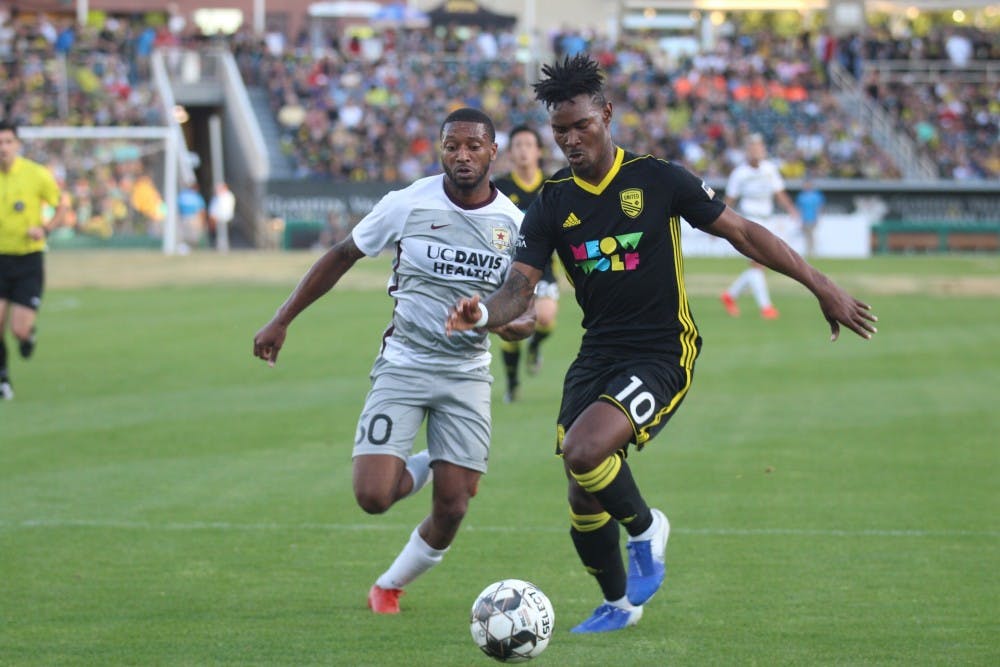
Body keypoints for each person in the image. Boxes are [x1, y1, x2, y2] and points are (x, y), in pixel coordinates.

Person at [446, 55, 877, 633]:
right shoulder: (550, 201)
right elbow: (518, 290)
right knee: (581, 492)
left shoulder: (657, 178)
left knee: (583, 451)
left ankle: (648, 530)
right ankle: (621, 605)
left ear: (607, 114)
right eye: (560, 132)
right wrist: (481, 317)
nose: (570, 140)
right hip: (597, 351)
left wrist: (820, 285)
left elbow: (744, 232)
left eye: (581, 126)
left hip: (661, 350)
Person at [253, 108, 534, 615]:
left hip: (466, 374)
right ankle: (434, 462)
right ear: (440, 149)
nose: (463, 155)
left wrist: (492, 319)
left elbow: (526, 316)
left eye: (474, 146)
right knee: (373, 497)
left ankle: (389, 585)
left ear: (494, 152)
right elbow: (342, 254)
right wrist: (281, 319)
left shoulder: (515, 225)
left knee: (454, 506)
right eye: (453, 146)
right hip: (403, 364)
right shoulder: (406, 203)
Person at [0, 121, 68, 400]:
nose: (2, 148)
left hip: (28, 259)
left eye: (7, 142)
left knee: (18, 329)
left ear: (17, 144)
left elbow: (62, 204)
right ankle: (3, 377)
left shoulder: (36, 174)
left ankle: (28, 337)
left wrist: (47, 228)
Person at [493, 125, 560, 402]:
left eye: (528, 145)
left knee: (544, 318)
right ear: (510, 152)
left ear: (538, 151)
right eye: (517, 145)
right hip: (509, 267)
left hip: (543, 265)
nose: (523, 150)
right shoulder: (499, 187)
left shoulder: (553, 186)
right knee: (509, 327)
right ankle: (512, 382)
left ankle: (535, 347)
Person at [719, 134, 801, 319]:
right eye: (753, 148)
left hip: (767, 219)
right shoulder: (739, 173)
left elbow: (779, 193)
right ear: (748, 151)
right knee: (758, 262)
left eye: (759, 147)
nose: (757, 151)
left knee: (760, 263)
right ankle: (766, 307)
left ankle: (730, 295)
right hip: (749, 219)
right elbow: (730, 199)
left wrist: (791, 209)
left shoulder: (770, 169)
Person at [795, 178, 826, 257]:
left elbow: (820, 207)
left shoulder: (816, 195)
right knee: (807, 235)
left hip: (813, 218)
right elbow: (799, 208)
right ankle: (809, 251)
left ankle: (812, 251)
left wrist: (818, 217)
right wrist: (799, 219)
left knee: (811, 234)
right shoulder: (801, 196)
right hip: (804, 219)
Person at [207, 181, 235, 253]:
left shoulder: (227, 196)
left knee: (223, 235)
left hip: (224, 219)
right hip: (217, 219)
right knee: (217, 236)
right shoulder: (217, 197)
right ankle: (219, 248)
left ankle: (224, 249)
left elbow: (224, 209)